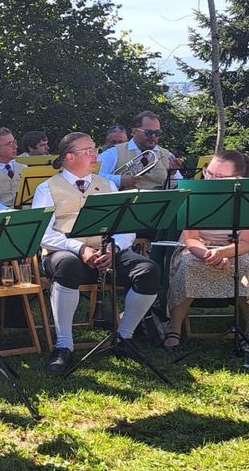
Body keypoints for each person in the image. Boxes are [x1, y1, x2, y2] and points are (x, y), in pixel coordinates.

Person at [33, 133, 161, 373]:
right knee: (66, 265)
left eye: (94, 149)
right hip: (65, 253)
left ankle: (124, 337)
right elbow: (43, 234)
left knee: (149, 270)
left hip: (107, 251)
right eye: (89, 151)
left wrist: (115, 247)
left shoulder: (107, 184)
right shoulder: (46, 188)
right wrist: (80, 248)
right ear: (70, 157)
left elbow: (126, 225)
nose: (96, 155)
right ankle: (64, 346)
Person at [163, 150, 249, 349]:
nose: (210, 179)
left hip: (240, 250)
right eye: (208, 172)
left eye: (218, 176)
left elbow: (246, 243)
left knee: (245, 267)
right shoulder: (193, 194)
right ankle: (174, 326)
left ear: (239, 178)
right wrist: (209, 255)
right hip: (199, 248)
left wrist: (223, 253)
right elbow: (191, 239)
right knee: (187, 265)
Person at [98, 111, 183, 191]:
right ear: (134, 132)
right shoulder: (113, 153)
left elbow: (178, 187)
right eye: (148, 132)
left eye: (157, 133)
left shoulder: (167, 155)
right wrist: (119, 180)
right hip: (123, 204)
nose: (153, 136)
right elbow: (93, 178)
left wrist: (172, 174)